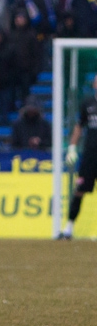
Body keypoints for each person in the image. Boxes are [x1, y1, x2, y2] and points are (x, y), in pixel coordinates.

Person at [59, 76, 97, 240]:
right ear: (94, 84)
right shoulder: (87, 103)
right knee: (80, 190)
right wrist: (72, 147)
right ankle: (68, 228)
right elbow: (78, 126)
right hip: (90, 155)